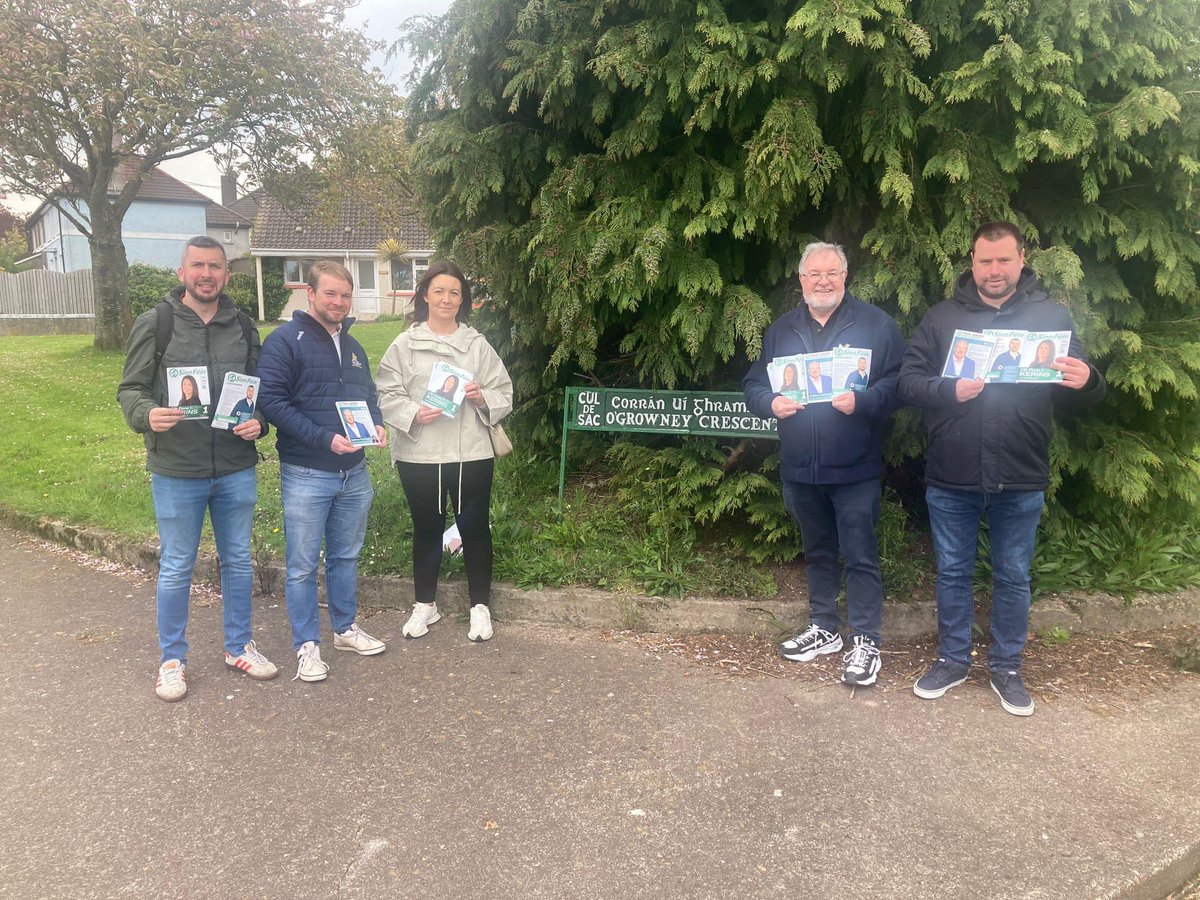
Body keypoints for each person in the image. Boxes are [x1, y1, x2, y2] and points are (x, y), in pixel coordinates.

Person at [899, 221, 1105, 716]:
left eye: (1004, 260)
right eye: (985, 261)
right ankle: (952, 659)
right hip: (953, 473)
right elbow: (906, 383)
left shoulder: (1051, 317)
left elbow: (1080, 394)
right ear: (972, 262)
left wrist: (1089, 380)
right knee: (951, 572)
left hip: (1021, 472)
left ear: (1021, 260)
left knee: (1013, 575)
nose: (994, 270)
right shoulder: (942, 317)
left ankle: (1007, 667)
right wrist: (949, 389)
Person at [117, 236, 278, 702]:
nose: (206, 274)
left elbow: (259, 395)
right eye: (197, 265)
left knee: (239, 563)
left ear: (227, 275)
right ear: (182, 272)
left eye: (215, 266)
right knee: (175, 567)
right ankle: (172, 660)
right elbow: (130, 389)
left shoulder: (244, 327)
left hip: (234, 466)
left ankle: (238, 646)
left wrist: (259, 423)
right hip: (176, 468)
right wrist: (146, 414)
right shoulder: (157, 324)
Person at [744, 242, 905, 686]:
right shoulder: (780, 330)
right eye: (814, 274)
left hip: (855, 467)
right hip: (800, 466)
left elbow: (901, 383)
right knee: (816, 552)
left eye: (831, 273)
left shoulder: (876, 324)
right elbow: (755, 383)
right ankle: (825, 629)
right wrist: (769, 403)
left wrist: (866, 400)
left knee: (859, 554)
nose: (823, 281)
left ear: (845, 275)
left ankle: (867, 640)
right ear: (800, 281)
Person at [257, 259, 388, 683]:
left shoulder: (353, 346)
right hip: (307, 471)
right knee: (300, 564)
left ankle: (345, 629)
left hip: (354, 471)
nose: (338, 301)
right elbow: (273, 402)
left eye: (345, 295)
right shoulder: (284, 341)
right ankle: (307, 646)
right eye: (330, 293)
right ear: (309, 293)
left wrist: (377, 423)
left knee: (345, 556)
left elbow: (367, 396)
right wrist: (322, 438)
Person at [376, 260, 513, 643]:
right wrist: (413, 412)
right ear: (424, 295)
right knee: (427, 528)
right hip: (419, 454)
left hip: (470, 452)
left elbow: (504, 392)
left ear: (462, 299)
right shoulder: (404, 345)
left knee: (473, 527)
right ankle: (425, 604)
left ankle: (480, 607)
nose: (446, 299)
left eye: (455, 292)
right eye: (439, 291)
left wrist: (482, 397)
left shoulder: (477, 345)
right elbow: (386, 393)